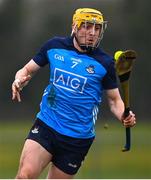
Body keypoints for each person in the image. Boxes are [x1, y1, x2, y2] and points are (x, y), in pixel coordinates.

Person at [12, 8, 136, 179]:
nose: (92, 33)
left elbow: (114, 101)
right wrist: (18, 79)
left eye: (97, 28)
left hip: (77, 139)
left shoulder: (105, 63)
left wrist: (124, 115)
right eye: (87, 26)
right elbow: (27, 70)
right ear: (75, 27)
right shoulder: (54, 46)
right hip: (47, 125)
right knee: (25, 175)